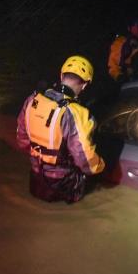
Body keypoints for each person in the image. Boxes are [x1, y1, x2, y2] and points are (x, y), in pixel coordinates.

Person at [16, 55, 105, 203]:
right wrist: (101, 166)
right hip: (64, 186)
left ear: (62, 75)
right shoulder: (77, 113)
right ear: (84, 85)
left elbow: (22, 140)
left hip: (35, 179)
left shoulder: (32, 100)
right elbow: (86, 161)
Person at [107, 18, 138, 83]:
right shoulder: (121, 42)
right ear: (129, 28)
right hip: (129, 80)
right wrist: (119, 76)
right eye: (136, 26)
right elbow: (112, 64)